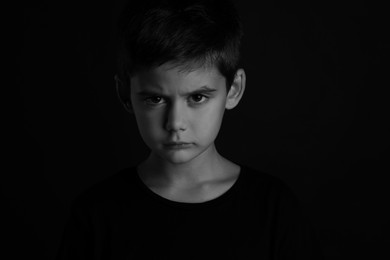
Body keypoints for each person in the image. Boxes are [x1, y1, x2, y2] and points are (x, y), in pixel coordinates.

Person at [56, 0, 324, 259]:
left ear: (234, 89)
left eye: (197, 98)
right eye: (155, 99)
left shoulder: (273, 210)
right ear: (125, 94)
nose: (175, 124)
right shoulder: (96, 215)